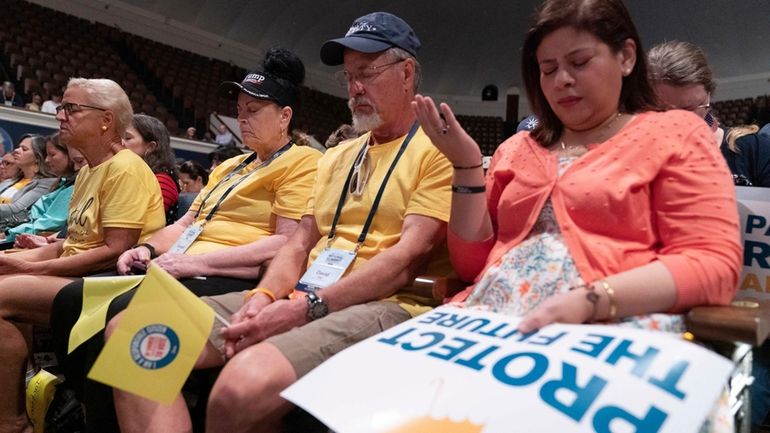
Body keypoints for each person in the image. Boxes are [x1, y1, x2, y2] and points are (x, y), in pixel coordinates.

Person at [110, 12, 452, 433]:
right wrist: (265, 295)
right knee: (131, 333)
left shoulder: (437, 149)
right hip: (306, 291)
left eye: (367, 73)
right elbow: (300, 242)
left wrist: (306, 307)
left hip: (386, 302)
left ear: (407, 73)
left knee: (241, 386)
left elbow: (407, 257)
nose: (354, 88)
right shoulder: (339, 156)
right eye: (348, 77)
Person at [413, 0, 741, 430]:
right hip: (492, 332)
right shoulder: (517, 149)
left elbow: (714, 264)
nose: (562, 80)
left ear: (625, 57)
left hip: (612, 330)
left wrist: (590, 301)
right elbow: (473, 265)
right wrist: (467, 165)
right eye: (547, 69)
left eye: (579, 62)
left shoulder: (676, 133)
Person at [50, 47, 321, 432]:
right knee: (70, 300)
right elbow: (184, 225)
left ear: (285, 116)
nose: (241, 119)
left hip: (233, 270)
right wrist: (144, 247)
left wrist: (195, 263)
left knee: (117, 312)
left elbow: (286, 243)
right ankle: (89, 408)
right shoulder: (229, 165)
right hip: (181, 264)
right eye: (240, 110)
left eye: (253, 111)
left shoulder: (303, 162)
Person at [0, 77, 165, 433]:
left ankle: (12, 423)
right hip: (81, 272)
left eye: (71, 108)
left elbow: (114, 251)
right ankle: (27, 397)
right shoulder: (90, 169)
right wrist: (17, 262)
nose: (61, 115)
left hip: (113, 282)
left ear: (106, 120)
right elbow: (70, 242)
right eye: (61, 107)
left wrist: (30, 270)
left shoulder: (126, 168)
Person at [648, 40, 770, 187]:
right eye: (663, 111)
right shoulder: (634, 160)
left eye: (688, 109)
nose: (677, 121)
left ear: (709, 95)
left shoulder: (755, 150)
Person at [3, 133, 81, 241]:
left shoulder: (67, 187)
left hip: (20, 236)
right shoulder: (61, 184)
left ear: (69, 155)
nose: (47, 160)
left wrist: (7, 233)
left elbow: (47, 223)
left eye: (52, 155)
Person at [123, 114, 180, 224]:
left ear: (150, 147)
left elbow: (140, 222)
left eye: (128, 138)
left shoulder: (163, 180)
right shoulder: (129, 172)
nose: (121, 142)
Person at [0, 134, 57, 227]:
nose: (16, 150)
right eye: (18, 147)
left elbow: (17, 209)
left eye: (24, 149)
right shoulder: (10, 181)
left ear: (37, 158)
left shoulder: (47, 183)